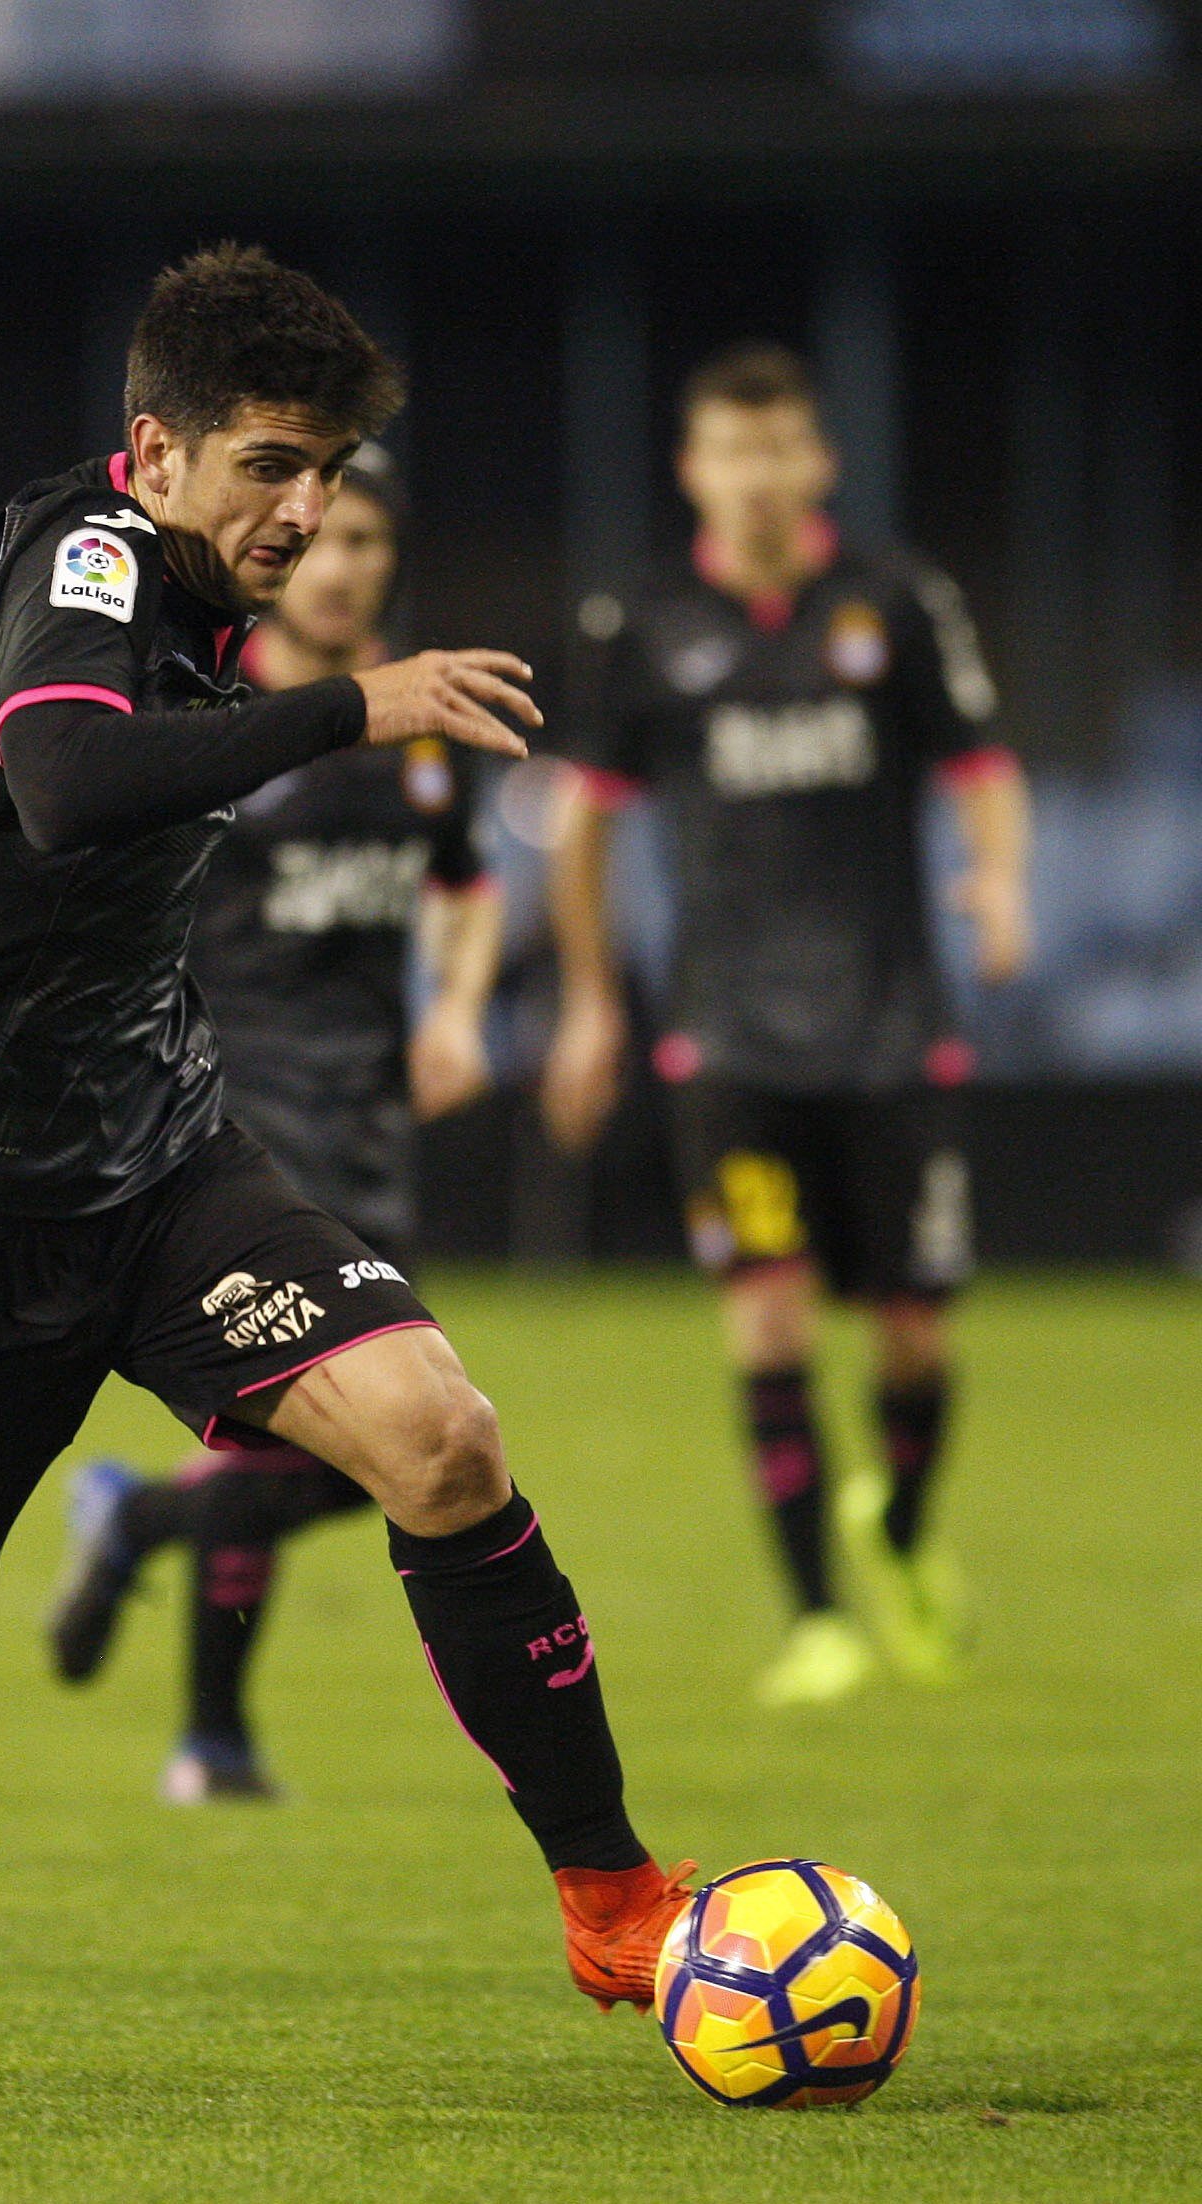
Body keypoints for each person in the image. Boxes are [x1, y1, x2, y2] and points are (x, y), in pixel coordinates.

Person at [0, 243, 691, 2028]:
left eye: (329, 471)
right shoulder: (100, 555)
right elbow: (62, 781)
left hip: (158, 1169)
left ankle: (614, 1894)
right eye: (271, 463)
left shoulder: (74, 555)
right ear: (158, 452)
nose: (305, 508)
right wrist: (360, 699)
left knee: (438, 1439)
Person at [540, 344, 1030, 1711]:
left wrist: (1000, 877)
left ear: (817, 462)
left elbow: (983, 768)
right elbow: (583, 824)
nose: (757, 476)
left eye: (781, 450)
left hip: (892, 1027)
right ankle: (818, 1615)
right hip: (727, 1041)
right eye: (730, 452)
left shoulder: (896, 601)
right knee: (765, 1324)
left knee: (918, 1335)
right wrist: (591, 1000)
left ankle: (905, 1536)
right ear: (696, 470)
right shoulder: (637, 624)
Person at [26, 448, 505, 1803]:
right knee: (316, 1431)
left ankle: (139, 1524)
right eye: (328, 539)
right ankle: (212, 1741)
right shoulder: (213, 715)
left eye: (369, 543)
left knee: (363, 1459)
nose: (346, 565)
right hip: (234, 1116)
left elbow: (469, 889)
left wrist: (459, 1007)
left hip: (368, 1119)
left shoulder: (416, 731)